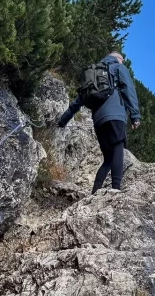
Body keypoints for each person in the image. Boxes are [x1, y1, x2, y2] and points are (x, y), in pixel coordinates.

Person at [57, 51, 141, 194]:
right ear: (118, 58)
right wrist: (135, 115)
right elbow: (128, 88)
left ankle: (95, 192)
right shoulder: (118, 67)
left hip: (98, 120)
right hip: (115, 114)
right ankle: (116, 190)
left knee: (108, 158)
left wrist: (63, 120)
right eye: (122, 60)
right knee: (118, 147)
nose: (123, 62)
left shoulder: (94, 74)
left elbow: (78, 101)